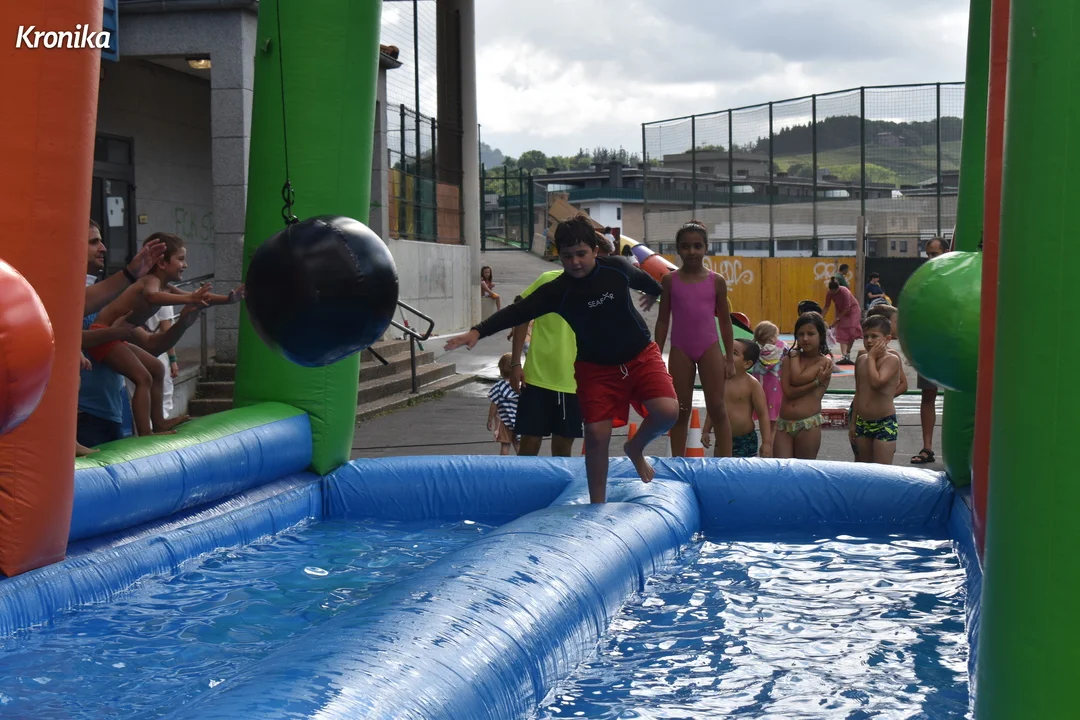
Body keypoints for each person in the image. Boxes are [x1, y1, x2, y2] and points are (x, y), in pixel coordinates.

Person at [445, 215, 678, 503]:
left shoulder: (616, 268)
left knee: (668, 412)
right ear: (559, 257)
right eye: (567, 256)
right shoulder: (557, 291)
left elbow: (645, 279)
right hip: (595, 368)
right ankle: (597, 504)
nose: (575, 262)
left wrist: (654, 293)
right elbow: (517, 312)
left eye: (581, 254)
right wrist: (477, 331)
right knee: (596, 435)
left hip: (640, 355)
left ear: (595, 250)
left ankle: (635, 448)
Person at [91, 232, 243, 437]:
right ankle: (145, 433)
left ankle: (159, 422)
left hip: (118, 334)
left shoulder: (165, 285)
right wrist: (190, 298)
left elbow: (198, 298)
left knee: (156, 368)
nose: (185, 265)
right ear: (162, 263)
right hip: (102, 334)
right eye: (181, 259)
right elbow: (152, 297)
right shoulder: (150, 280)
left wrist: (228, 299)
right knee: (142, 377)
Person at [654, 220, 735, 457]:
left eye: (697, 246)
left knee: (717, 407)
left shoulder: (716, 281)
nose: (692, 251)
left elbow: (725, 322)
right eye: (686, 246)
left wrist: (730, 358)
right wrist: (656, 356)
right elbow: (662, 321)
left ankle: (726, 462)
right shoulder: (670, 281)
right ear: (678, 249)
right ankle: (679, 462)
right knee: (680, 409)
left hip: (709, 348)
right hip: (681, 350)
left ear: (706, 248)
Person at [847, 303, 909, 458]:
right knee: (863, 467)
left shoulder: (891, 359)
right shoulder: (861, 359)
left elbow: (876, 383)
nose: (869, 341)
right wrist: (853, 423)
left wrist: (872, 357)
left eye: (874, 336)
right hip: (863, 421)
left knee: (881, 469)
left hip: (883, 422)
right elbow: (859, 392)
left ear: (887, 339)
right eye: (865, 336)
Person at [774, 312, 833, 459]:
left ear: (821, 336)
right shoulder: (789, 359)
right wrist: (816, 382)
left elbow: (797, 378)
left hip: (808, 424)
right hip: (784, 424)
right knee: (781, 469)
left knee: (803, 469)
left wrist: (794, 356)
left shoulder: (824, 362)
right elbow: (788, 392)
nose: (805, 338)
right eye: (800, 334)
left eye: (811, 334)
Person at [911, 236, 949, 465]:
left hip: (950, 343)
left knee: (957, 396)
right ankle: (927, 447)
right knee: (928, 394)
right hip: (930, 344)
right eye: (928, 254)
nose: (930, 258)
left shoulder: (954, 277)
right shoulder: (924, 279)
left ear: (946, 252)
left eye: (934, 253)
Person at [702, 339, 773, 458]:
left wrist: (766, 443)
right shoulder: (719, 381)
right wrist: (706, 430)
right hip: (722, 437)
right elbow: (713, 408)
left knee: (744, 469)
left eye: (734, 353)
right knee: (721, 466)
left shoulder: (752, 384)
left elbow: (763, 414)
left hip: (745, 439)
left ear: (747, 364)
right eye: (727, 351)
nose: (727, 356)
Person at [749, 320, 785, 436]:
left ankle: (765, 442)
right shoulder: (782, 348)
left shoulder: (754, 350)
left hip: (760, 388)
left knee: (763, 418)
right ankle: (771, 443)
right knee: (774, 423)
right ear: (772, 338)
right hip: (776, 389)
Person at [487, 353, 520, 456]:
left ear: (501, 371)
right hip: (519, 421)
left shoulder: (498, 387)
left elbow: (494, 404)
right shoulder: (519, 386)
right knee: (518, 444)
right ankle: (523, 462)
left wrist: (490, 419)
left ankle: (503, 463)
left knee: (505, 445)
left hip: (504, 422)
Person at [823, 279, 862, 365]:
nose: (834, 293)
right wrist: (821, 317)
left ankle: (848, 352)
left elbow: (847, 308)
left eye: (835, 291)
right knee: (842, 332)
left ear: (838, 288)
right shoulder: (829, 293)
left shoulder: (844, 291)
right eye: (832, 291)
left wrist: (837, 319)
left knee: (852, 331)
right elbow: (826, 306)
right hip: (841, 311)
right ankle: (844, 355)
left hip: (852, 311)